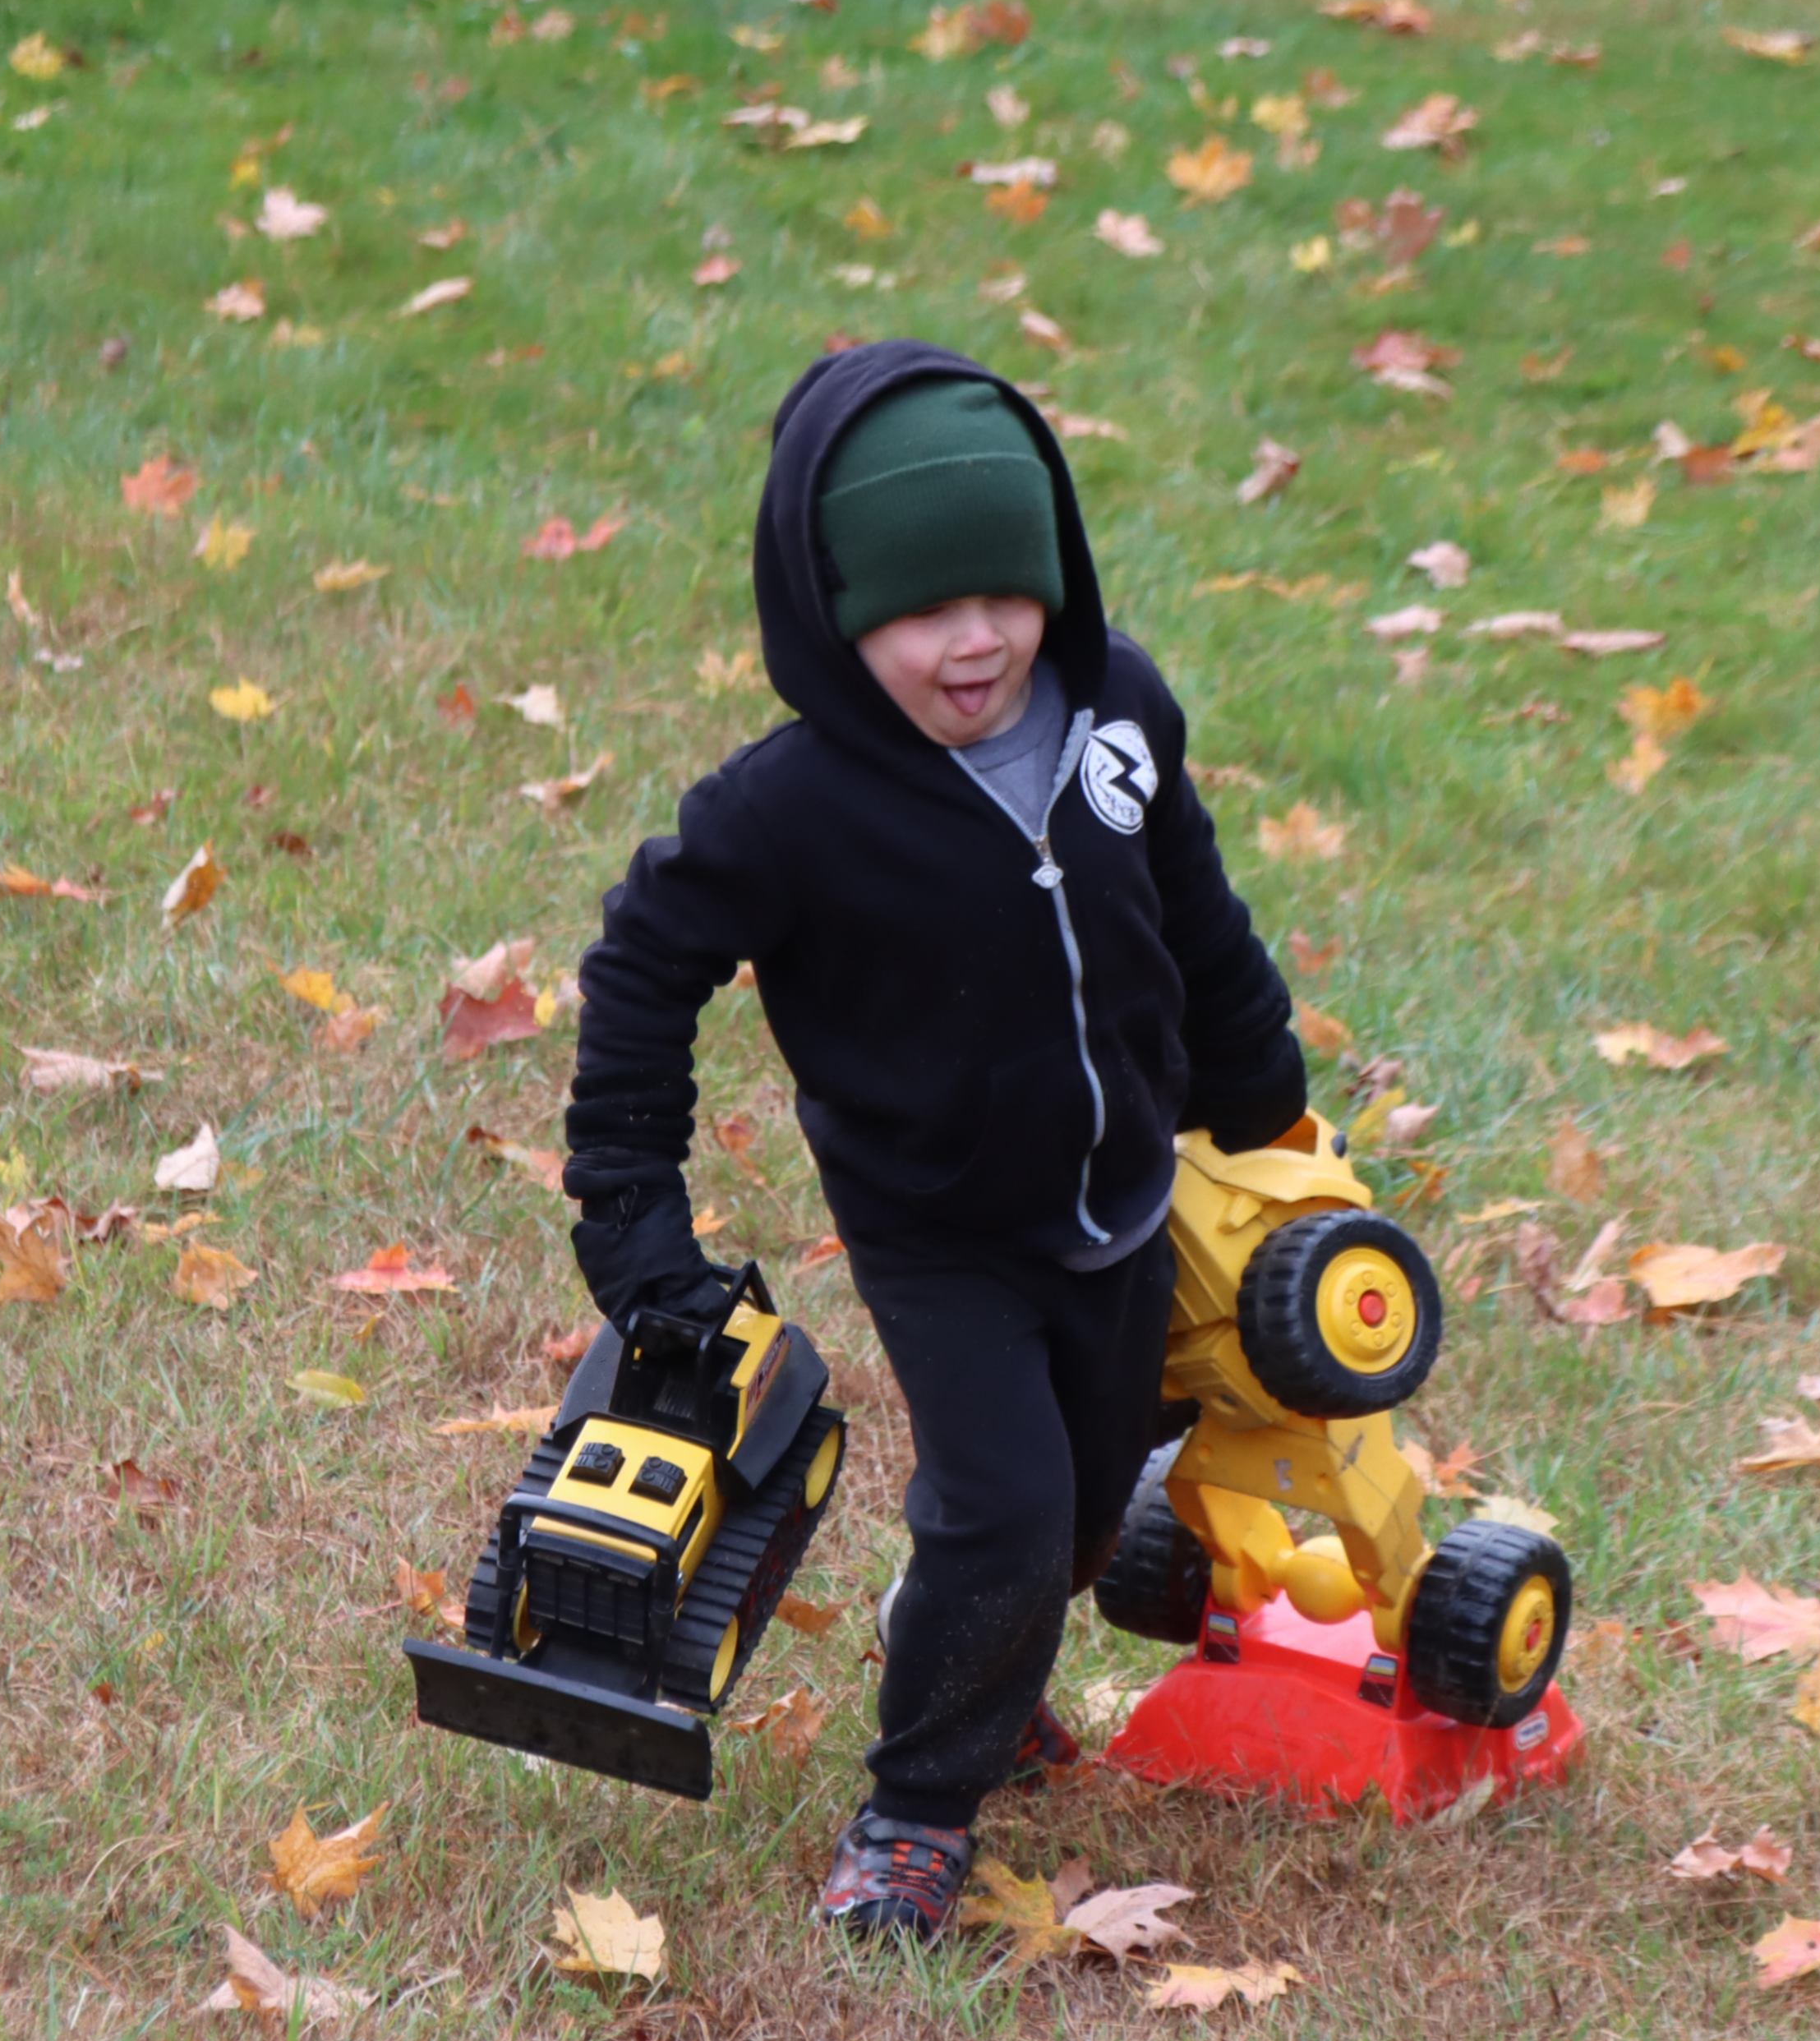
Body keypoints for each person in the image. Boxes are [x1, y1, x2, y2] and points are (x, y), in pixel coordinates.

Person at [561, 341, 1312, 1938]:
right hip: (936, 1219)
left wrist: (1262, 1101)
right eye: (919, 610)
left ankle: (978, 1634)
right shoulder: (793, 810)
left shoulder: (1118, 711)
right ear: (832, 608)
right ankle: (916, 1804)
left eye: (1005, 594)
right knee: (1010, 1499)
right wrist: (630, 1219)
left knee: (1097, 1501)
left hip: (1122, 1194)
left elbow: (1192, 906)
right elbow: (641, 968)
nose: (973, 643)